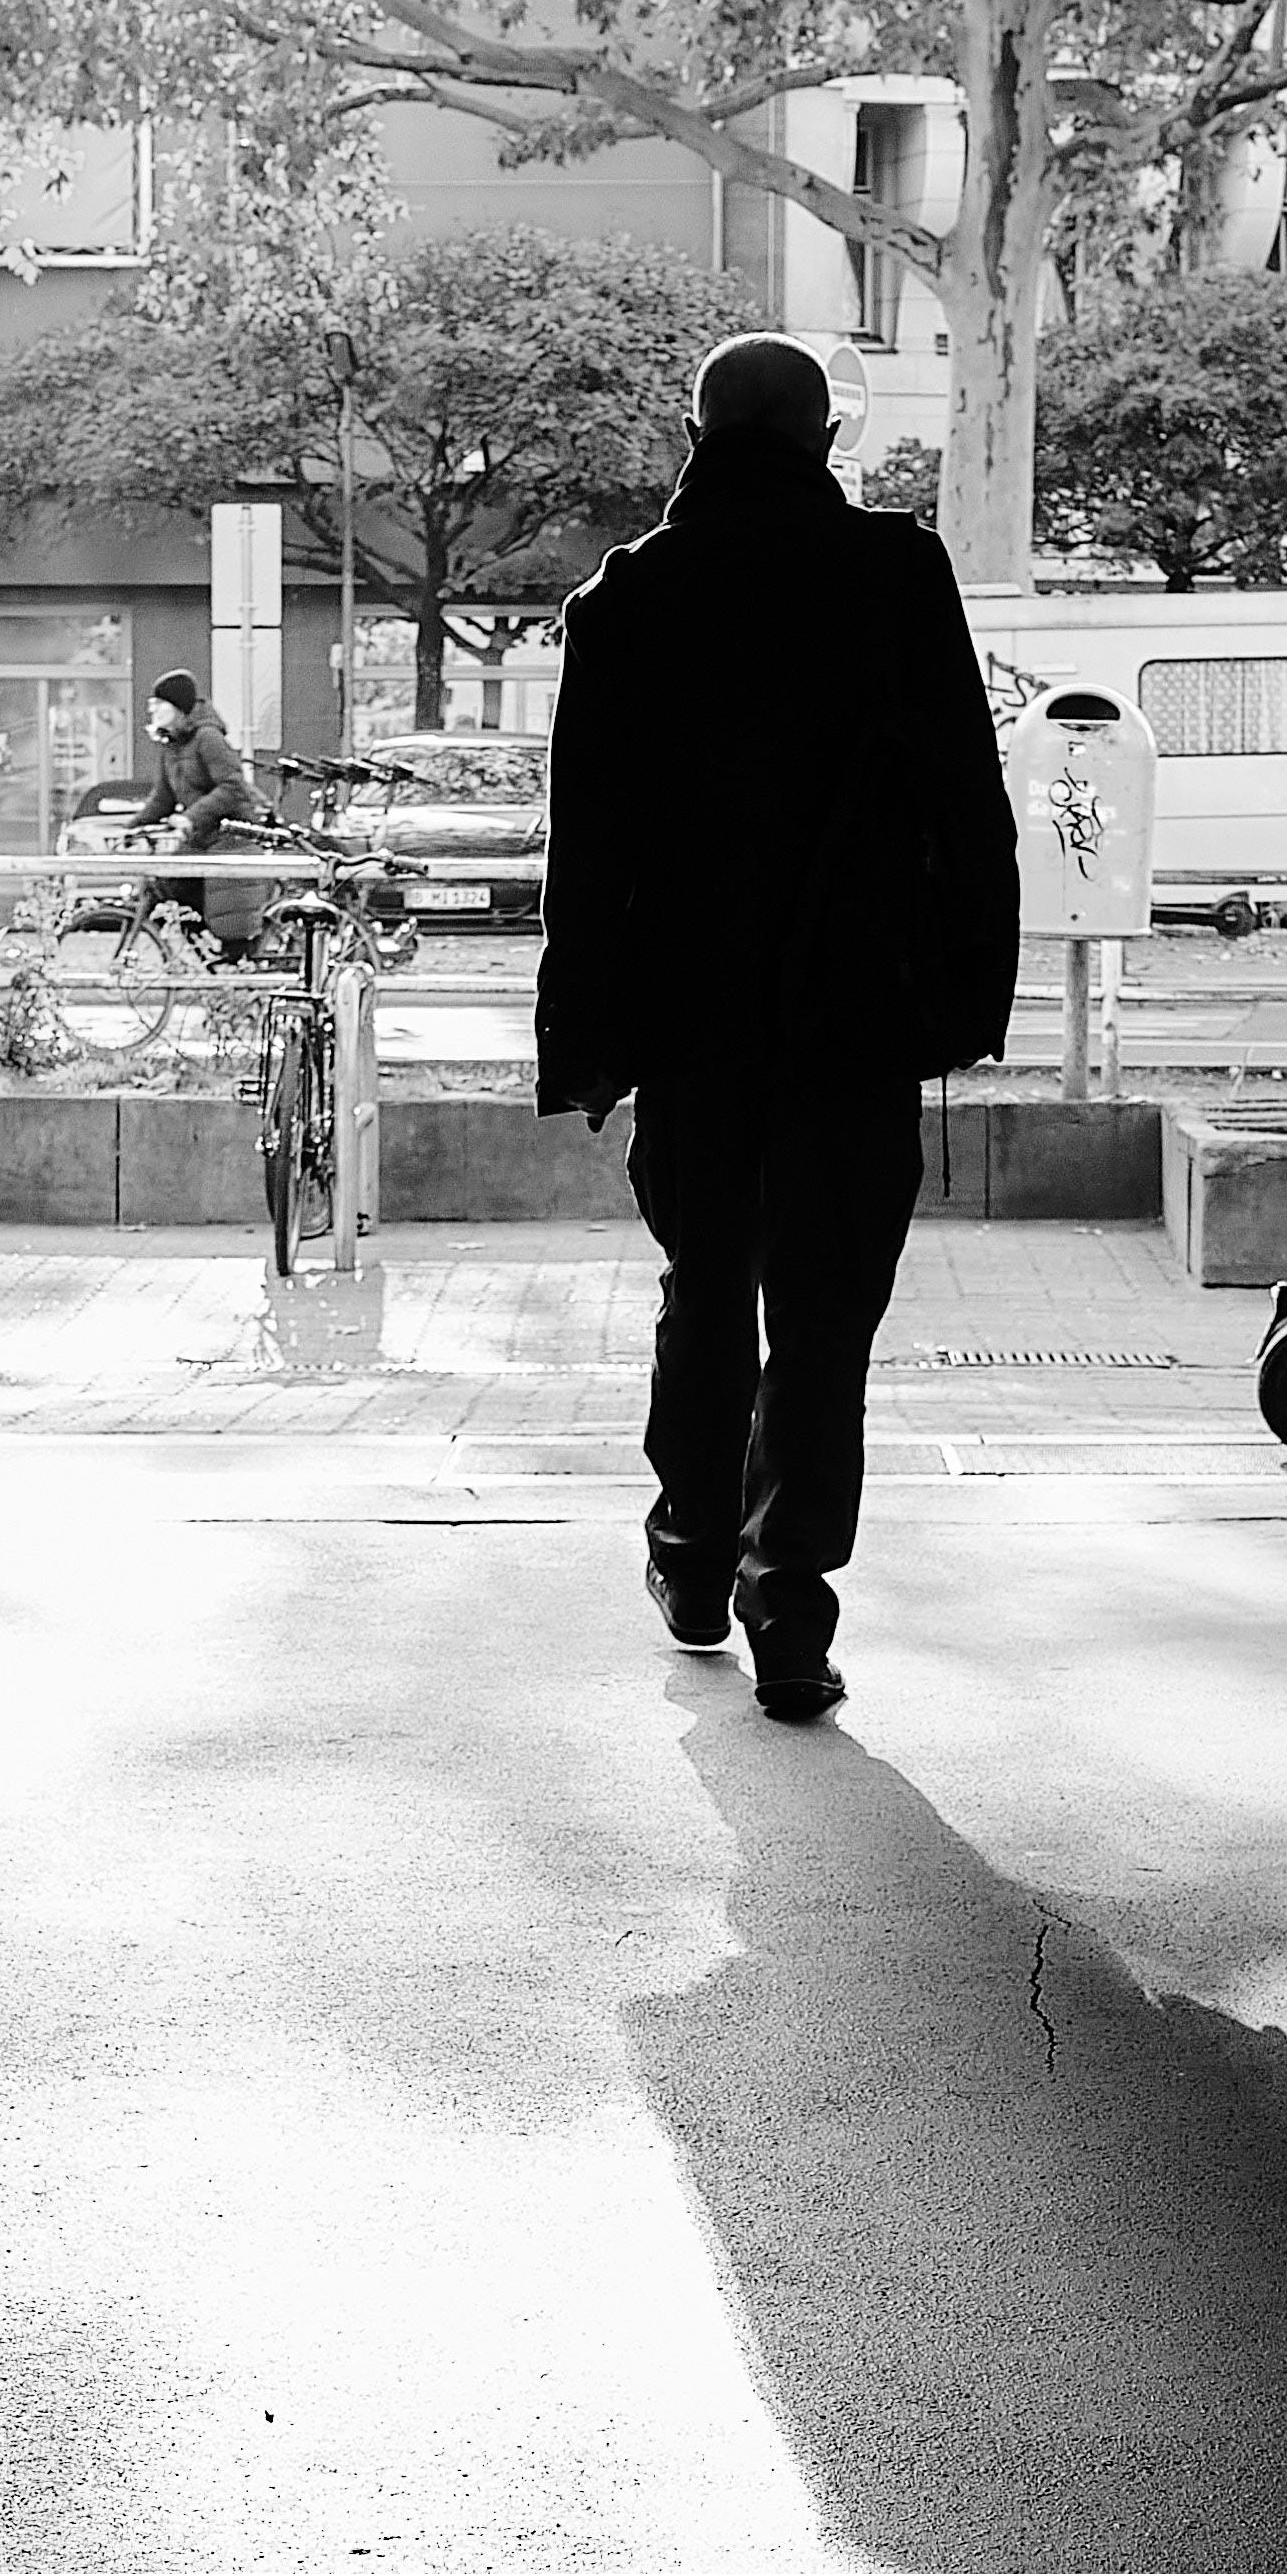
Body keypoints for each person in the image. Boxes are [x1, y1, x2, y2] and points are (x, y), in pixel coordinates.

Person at [535, 334, 1017, 1720]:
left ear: (696, 427)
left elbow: (590, 845)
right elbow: (965, 806)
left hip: (692, 1014)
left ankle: (689, 1557)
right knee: (823, 1317)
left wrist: (587, 1038)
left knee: (706, 1287)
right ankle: (790, 1606)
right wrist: (968, 992)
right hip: (857, 1011)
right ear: (823, 436)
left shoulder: (627, 596)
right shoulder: (893, 576)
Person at [141, 666, 261, 956]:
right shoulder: (171, 745)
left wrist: (189, 818)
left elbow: (233, 787)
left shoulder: (208, 738)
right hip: (202, 839)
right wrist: (133, 828)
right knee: (165, 888)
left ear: (178, 708)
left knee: (228, 915)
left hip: (230, 837)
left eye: (160, 704)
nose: (153, 710)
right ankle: (206, 955)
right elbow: (162, 798)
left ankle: (227, 962)